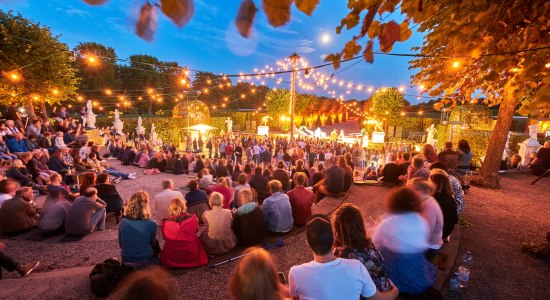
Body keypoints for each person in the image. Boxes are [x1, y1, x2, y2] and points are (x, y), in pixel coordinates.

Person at [289, 214, 399, 300]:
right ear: (333, 239)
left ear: (308, 243)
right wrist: (394, 292)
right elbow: (378, 299)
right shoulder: (356, 267)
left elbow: (295, 298)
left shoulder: (295, 272)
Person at [371, 187, 435, 295]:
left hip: (396, 270)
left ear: (394, 203)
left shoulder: (389, 222)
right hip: (418, 270)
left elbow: (373, 243)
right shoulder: (422, 221)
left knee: (380, 249)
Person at [332, 204, 392, 292]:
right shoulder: (369, 245)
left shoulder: (341, 253)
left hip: (369, 295)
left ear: (338, 229)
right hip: (384, 288)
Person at [160, 198, 208, 268]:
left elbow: (165, 238)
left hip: (172, 257)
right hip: (191, 253)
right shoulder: (193, 218)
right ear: (184, 206)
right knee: (198, 240)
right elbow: (196, 230)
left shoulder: (166, 223)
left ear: (171, 208)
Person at [118, 191, 159, 268]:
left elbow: (121, 244)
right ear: (146, 205)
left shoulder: (123, 222)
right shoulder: (152, 223)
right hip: (144, 259)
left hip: (126, 260)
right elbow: (151, 243)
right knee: (156, 244)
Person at [407, 178, 443, 260]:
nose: (409, 194)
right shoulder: (427, 200)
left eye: (410, 191)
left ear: (418, 191)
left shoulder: (429, 207)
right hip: (430, 242)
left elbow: (426, 234)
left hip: (429, 247)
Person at [428, 172, 458, 241]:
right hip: (447, 230)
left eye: (429, 181)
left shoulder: (437, 198)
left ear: (436, 184)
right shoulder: (448, 197)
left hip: (440, 233)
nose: (427, 183)